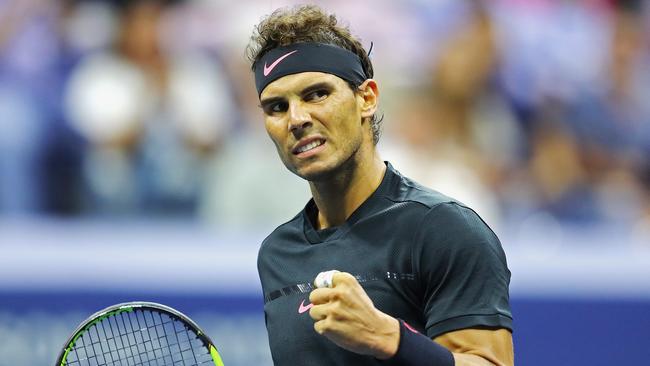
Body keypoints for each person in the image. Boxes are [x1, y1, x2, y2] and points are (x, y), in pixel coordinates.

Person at [247, 5, 513, 366]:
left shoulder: (445, 229)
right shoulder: (277, 254)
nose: (296, 119)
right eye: (277, 107)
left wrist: (389, 338)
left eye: (317, 94)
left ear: (367, 98)